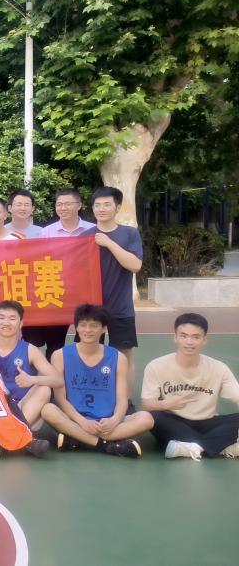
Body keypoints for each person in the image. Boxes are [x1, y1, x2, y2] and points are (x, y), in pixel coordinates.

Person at [40, 304, 154, 457]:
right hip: (75, 418)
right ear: (76, 328)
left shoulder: (118, 357)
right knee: (48, 410)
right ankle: (105, 445)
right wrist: (82, 421)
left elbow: (122, 399)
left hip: (106, 422)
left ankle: (78, 439)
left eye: (94, 326)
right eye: (83, 325)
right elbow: (61, 399)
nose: (88, 330)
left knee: (146, 419)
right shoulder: (59, 355)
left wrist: (114, 420)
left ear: (104, 329)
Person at [141, 313, 239, 460]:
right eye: (184, 336)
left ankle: (193, 448)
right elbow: (146, 404)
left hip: (208, 422)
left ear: (204, 340)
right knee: (154, 416)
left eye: (196, 337)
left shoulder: (219, 368)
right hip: (174, 422)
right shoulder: (156, 366)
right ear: (175, 337)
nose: (189, 342)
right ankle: (220, 447)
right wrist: (166, 404)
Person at [83, 187, 143, 388]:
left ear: (117, 207)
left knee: (123, 356)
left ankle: (125, 399)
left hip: (121, 308)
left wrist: (108, 243)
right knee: (88, 353)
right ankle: (92, 394)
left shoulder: (129, 233)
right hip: (92, 308)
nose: (101, 209)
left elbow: (135, 265)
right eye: (97, 205)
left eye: (107, 204)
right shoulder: (85, 236)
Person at [0, 301, 64, 431]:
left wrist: (32, 379)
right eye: (1, 318)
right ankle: (14, 432)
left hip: (21, 408)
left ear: (21, 323)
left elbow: (59, 380)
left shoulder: (30, 350)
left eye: (12, 318)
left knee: (44, 389)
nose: (6, 323)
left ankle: (12, 431)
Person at [29, 188, 96, 359]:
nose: (63, 208)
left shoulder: (93, 230)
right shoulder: (46, 232)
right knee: (55, 343)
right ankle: (54, 374)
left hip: (86, 292)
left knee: (87, 338)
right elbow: (39, 261)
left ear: (79, 205)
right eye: (59, 204)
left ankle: (82, 371)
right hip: (57, 293)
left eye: (68, 204)